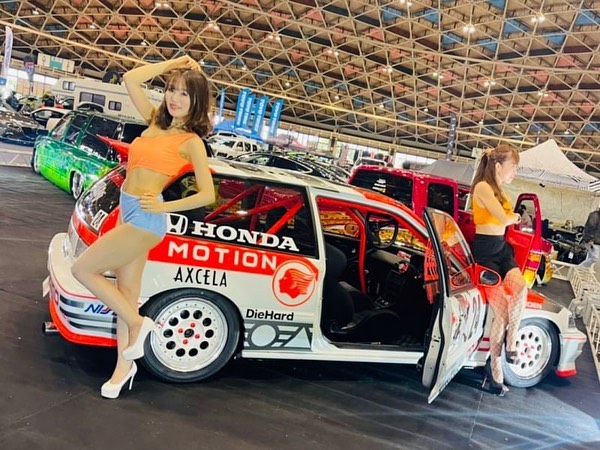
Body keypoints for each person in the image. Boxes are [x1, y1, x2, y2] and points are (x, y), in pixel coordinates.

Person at [71, 55, 216, 399]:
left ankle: (139, 324)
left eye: (184, 93)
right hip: (128, 210)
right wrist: (175, 63)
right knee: (126, 294)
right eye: (171, 90)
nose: (174, 98)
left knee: (83, 269)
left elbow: (207, 194)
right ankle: (124, 368)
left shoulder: (191, 142)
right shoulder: (154, 121)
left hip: (147, 218)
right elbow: (132, 79)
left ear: (197, 101)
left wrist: (166, 206)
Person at [470, 144, 527, 396]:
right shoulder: (483, 187)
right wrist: (516, 217)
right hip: (485, 253)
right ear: (498, 165)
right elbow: (505, 218)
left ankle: (511, 339)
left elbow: (507, 218)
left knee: (520, 288)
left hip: (502, 248)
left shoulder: (499, 190)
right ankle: (494, 369)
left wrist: (513, 217)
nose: (515, 171)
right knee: (501, 313)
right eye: (513, 166)